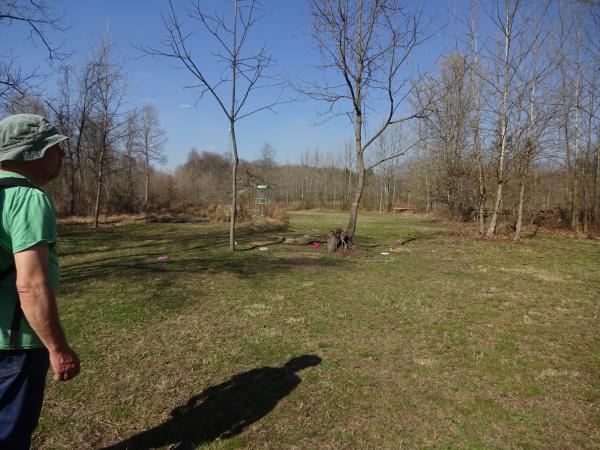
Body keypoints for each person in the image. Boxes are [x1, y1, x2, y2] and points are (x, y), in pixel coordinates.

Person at [0, 114, 80, 449]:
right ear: (30, 152)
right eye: (54, 147)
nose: (61, 155)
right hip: (13, 346)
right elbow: (30, 286)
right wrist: (58, 348)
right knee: (9, 436)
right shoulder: (26, 198)